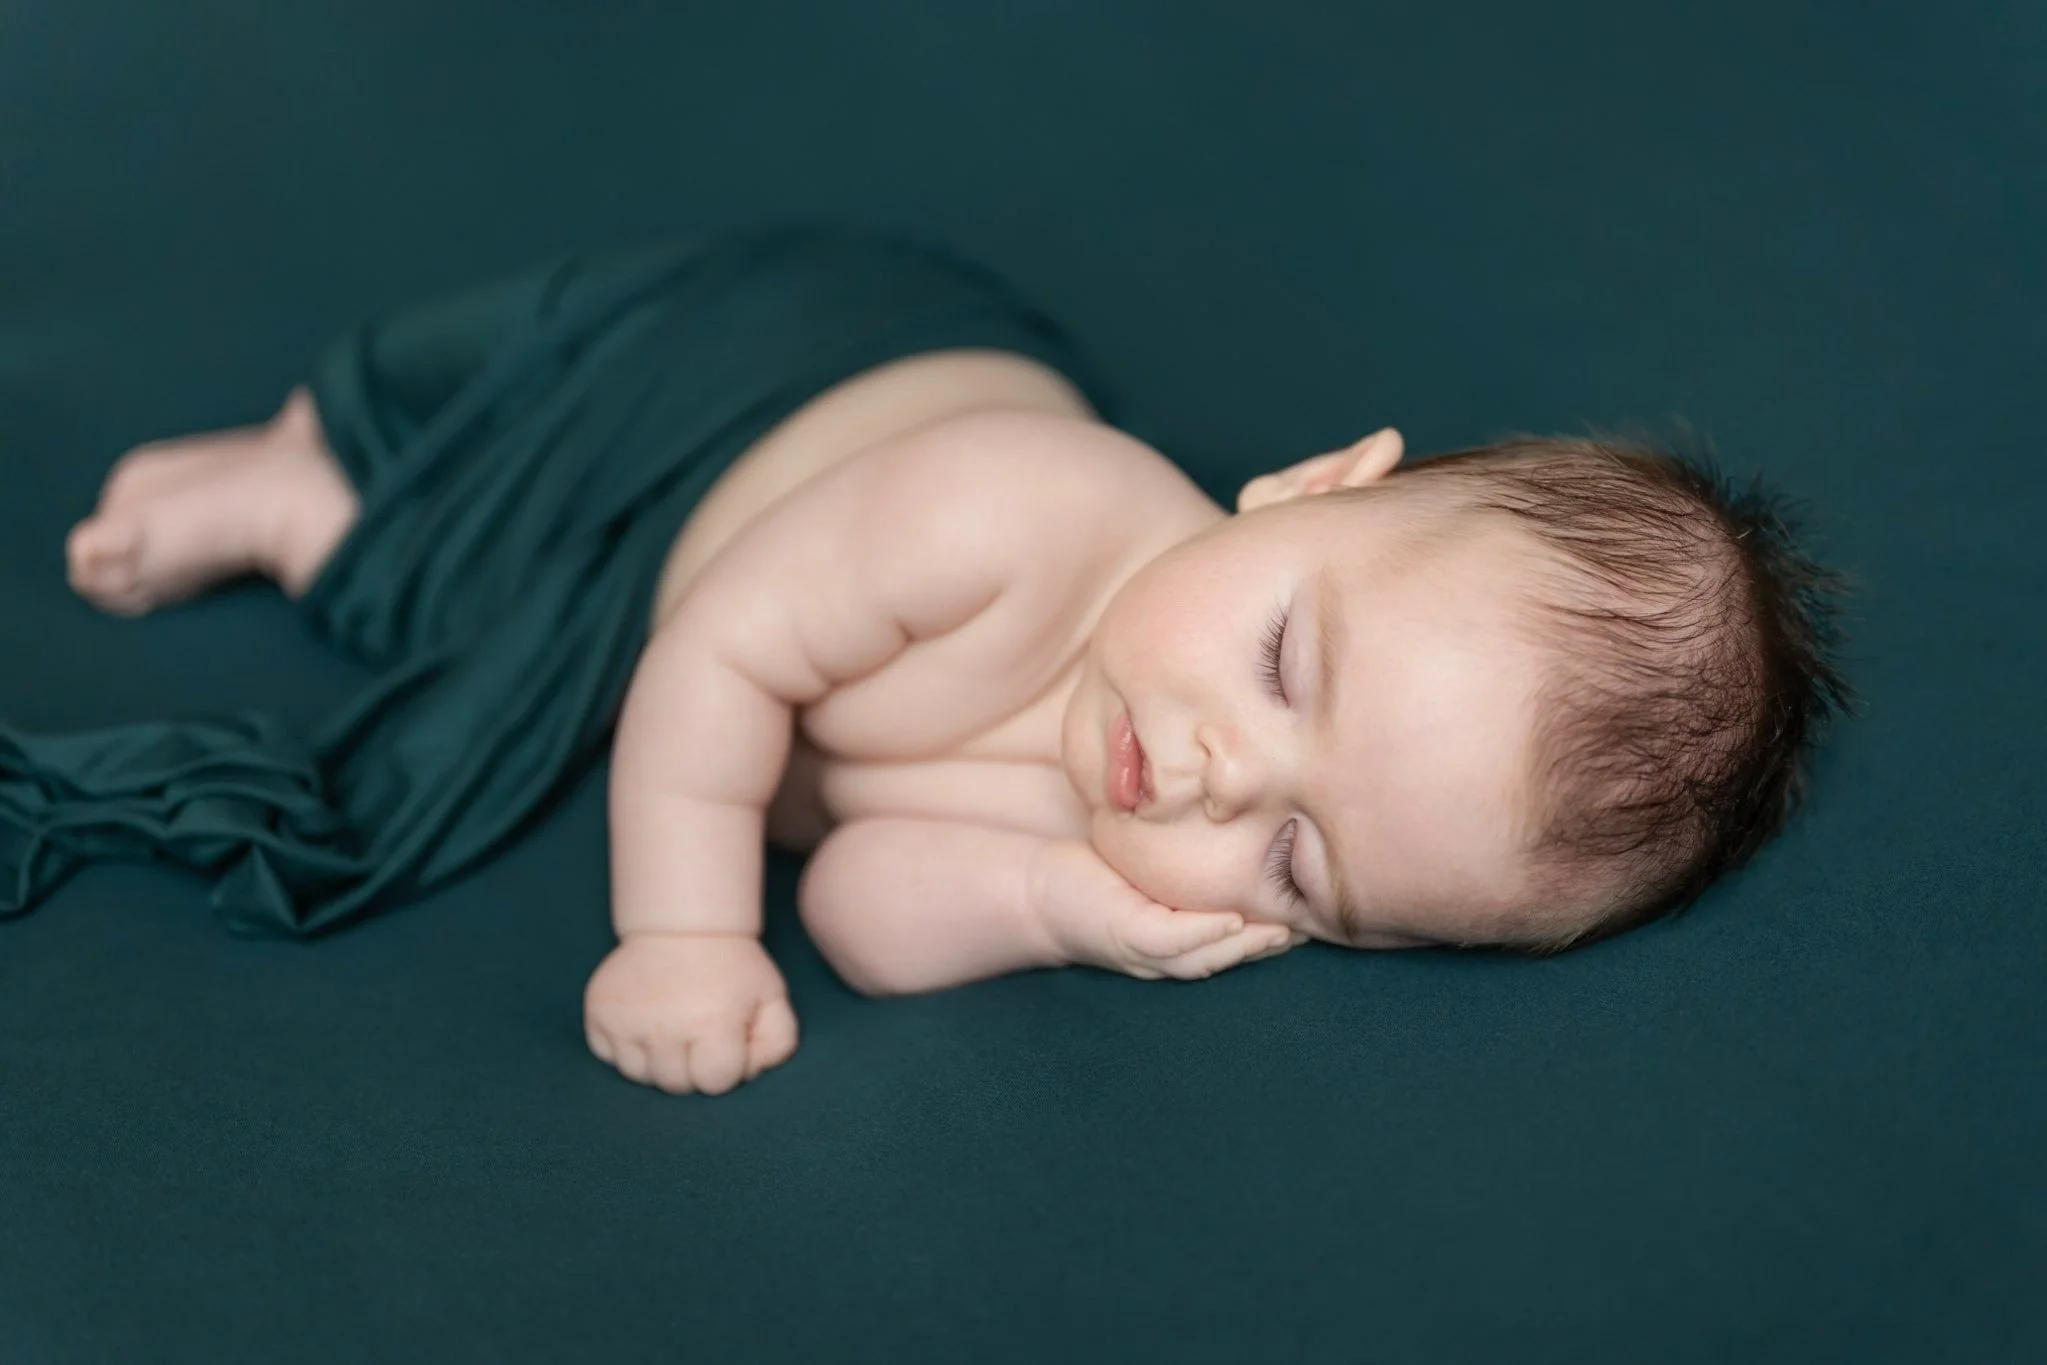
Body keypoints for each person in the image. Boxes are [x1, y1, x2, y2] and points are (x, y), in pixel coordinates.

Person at [10, 225, 1850, 1097]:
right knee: (481, 448)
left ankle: (296, 529)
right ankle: (288, 456)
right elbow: (717, 667)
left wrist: (1059, 905)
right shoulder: (1029, 512)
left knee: (452, 626)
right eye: (1287, 663)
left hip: (679, 618)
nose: (1217, 775)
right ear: (1306, 488)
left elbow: (871, 909)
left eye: (1303, 864)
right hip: (751, 407)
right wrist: (682, 933)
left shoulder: (1139, 841)